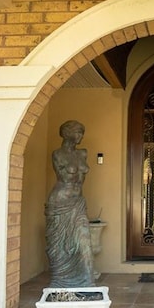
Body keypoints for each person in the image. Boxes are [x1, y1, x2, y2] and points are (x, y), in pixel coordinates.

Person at [44, 120, 94, 288]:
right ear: (67, 133)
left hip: (78, 202)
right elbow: (64, 177)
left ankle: (88, 282)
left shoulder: (83, 154)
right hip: (60, 202)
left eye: (82, 132)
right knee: (60, 245)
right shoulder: (57, 154)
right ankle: (60, 280)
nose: (80, 136)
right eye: (78, 132)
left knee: (84, 241)